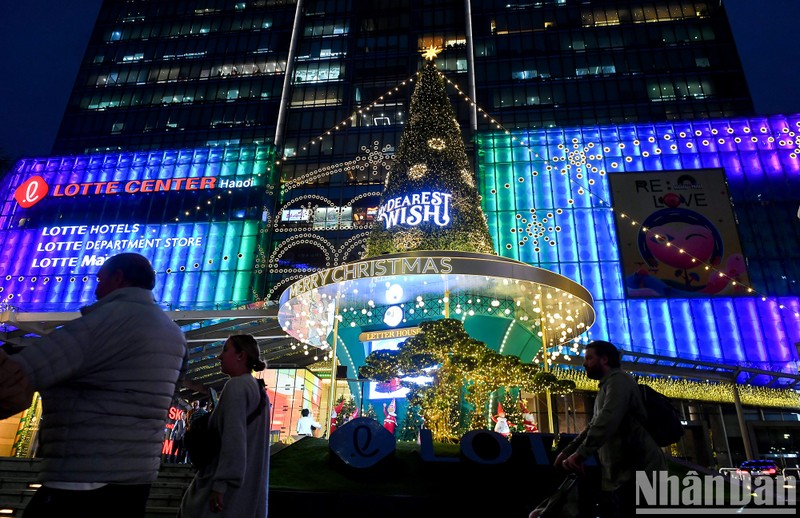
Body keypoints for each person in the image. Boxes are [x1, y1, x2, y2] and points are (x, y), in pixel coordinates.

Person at [0, 252, 188, 518]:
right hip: (137, 475)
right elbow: (171, 393)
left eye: (100, 280)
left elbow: (21, 374)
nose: (96, 289)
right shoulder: (174, 334)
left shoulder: (104, 322)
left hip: (82, 472)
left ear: (118, 278)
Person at [553, 340, 666, 517]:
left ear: (604, 359)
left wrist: (580, 454)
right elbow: (594, 424)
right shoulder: (607, 386)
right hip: (624, 475)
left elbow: (607, 419)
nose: (584, 363)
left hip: (641, 473)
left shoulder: (619, 381)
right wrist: (569, 451)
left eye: (589, 358)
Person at [179, 334, 270, 518]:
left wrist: (220, 485)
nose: (219, 356)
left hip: (226, 494)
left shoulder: (236, 386)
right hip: (248, 492)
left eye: (225, 350)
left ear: (241, 355)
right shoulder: (259, 390)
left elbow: (233, 439)